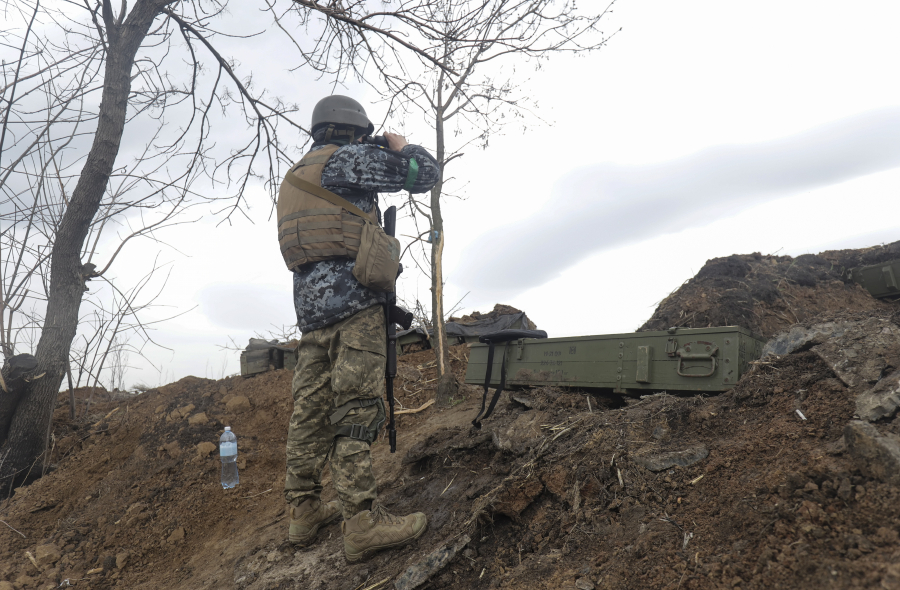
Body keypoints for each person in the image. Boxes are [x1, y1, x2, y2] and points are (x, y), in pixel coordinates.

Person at [276, 95, 440, 562]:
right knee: (356, 409)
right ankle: (362, 524)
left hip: (310, 316)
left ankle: (303, 512)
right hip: (355, 307)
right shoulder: (347, 161)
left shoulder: (295, 176)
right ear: (352, 130)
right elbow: (422, 175)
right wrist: (402, 146)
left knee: (308, 411)